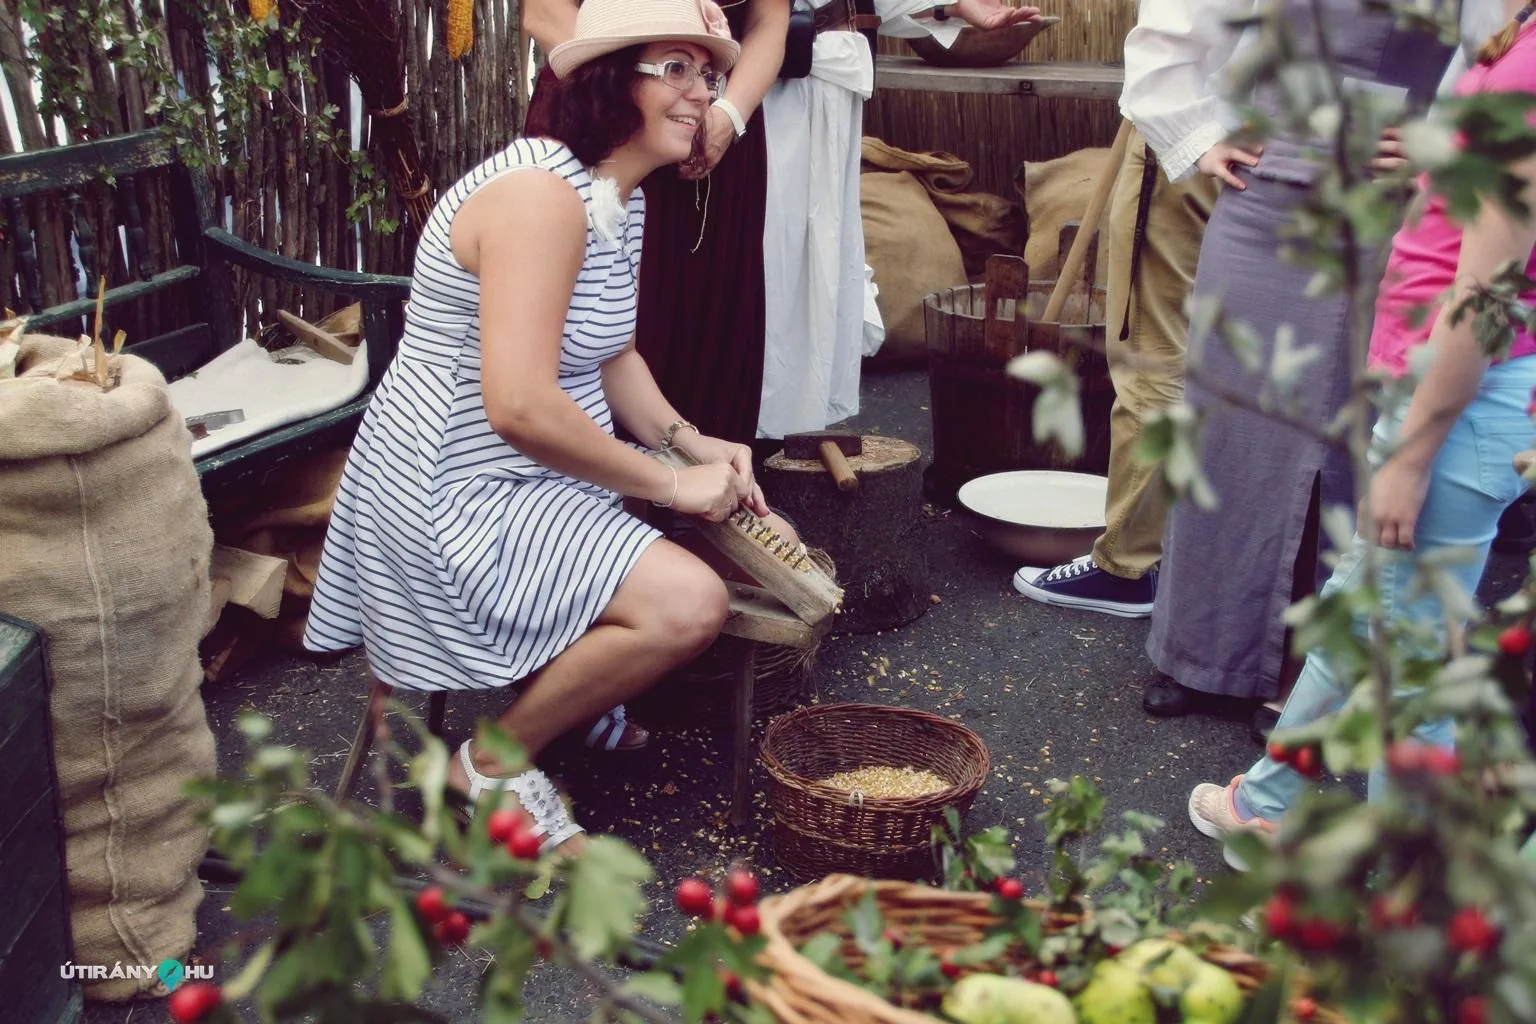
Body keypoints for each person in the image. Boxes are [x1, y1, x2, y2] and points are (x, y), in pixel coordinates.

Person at [304, 0, 789, 853]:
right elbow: (521, 407)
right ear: (610, 80)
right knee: (688, 603)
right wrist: (674, 485)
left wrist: (690, 441)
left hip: (519, 473)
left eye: (708, 75)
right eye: (675, 68)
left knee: (647, 534)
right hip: (447, 490)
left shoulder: (614, 196)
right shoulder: (538, 197)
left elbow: (613, 361)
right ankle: (490, 764)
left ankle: (567, 700)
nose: (702, 94)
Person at [1187, 0, 1536, 866]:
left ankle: (1413, 905)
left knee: (1409, 670)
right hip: (1460, 389)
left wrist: (1414, 453)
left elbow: (1485, 296)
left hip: (1462, 397)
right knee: (1367, 599)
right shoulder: (1514, 36)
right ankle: (1266, 802)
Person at [1096, 0, 1453, 729]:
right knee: (1229, 426)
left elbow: (1505, 62)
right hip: (1265, 198)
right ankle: (1197, 653)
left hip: (1392, 208)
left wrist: (1441, 140)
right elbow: (1176, 25)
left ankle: (1309, 671)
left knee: (1346, 437)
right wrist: (1200, 134)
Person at [1010, 0, 1220, 622]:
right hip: (1308, 149)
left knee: (1157, 353)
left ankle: (1127, 565)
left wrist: (1178, 127)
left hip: (1197, 133)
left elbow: (1179, 29)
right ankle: (1210, 553)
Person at [755, 0, 1041, 441]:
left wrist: (954, 6)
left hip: (832, 72)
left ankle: (800, 424)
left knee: (822, 252)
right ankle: (758, 425)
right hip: (777, 84)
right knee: (779, 247)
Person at [524, 0, 787, 452]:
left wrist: (723, 114)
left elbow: (769, 19)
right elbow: (543, 11)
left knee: (681, 326)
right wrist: (630, 91)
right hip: (609, 91)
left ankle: (695, 479)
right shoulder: (536, 193)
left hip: (711, 126)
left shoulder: (702, 97)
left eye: (700, 75)